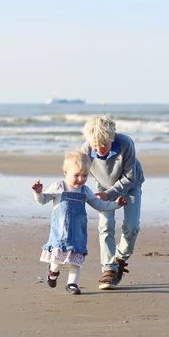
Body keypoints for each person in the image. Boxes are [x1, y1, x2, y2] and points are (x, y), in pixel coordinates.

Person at [32, 150, 127, 295]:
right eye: (76, 175)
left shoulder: (85, 191)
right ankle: (52, 272)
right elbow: (42, 201)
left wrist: (116, 204)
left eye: (85, 175)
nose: (80, 179)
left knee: (76, 262)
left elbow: (99, 205)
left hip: (78, 233)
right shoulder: (59, 187)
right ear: (65, 172)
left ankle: (72, 284)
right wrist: (38, 192)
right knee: (57, 261)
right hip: (60, 234)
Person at [80, 116, 145, 290]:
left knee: (131, 227)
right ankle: (109, 269)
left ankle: (120, 258)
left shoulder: (125, 143)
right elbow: (78, 174)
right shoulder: (86, 149)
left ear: (112, 138)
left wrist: (108, 195)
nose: (99, 149)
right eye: (95, 146)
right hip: (103, 186)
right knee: (105, 226)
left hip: (130, 186)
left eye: (104, 145)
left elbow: (130, 177)